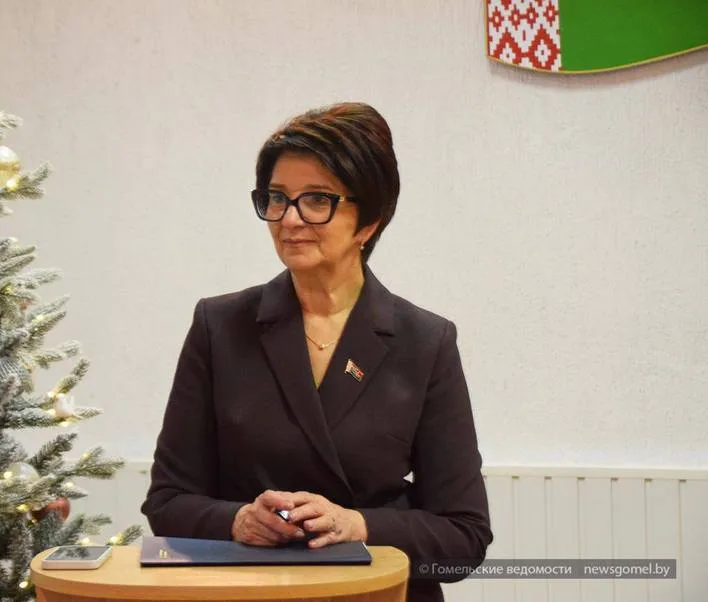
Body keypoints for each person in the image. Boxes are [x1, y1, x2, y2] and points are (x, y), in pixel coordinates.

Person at [141, 102, 492, 602]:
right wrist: (239, 520)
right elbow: (168, 501)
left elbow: (463, 536)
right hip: (249, 594)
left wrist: (356, 525)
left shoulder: (425, 340)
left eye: (317, 200)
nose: (289, 218)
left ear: (369, 221)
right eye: (277, 198)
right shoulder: (219, 325)